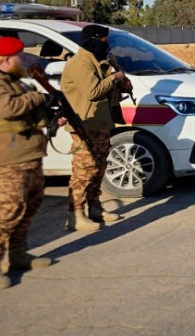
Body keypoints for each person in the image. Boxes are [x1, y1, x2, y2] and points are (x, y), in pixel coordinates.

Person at [0, 37, 54, 289]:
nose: (23, 60)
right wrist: (38, 98)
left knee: (30, 205)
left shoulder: (17, 82)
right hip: (10, 160)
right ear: (6, 60)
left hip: (31, 154)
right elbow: (8, 109)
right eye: (20, 56)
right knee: (8, 211)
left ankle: (18, 254)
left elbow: (28, 113)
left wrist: (50, 115)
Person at [61, 24, 125, 231]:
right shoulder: (80, 63)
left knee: (98, 168)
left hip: (99, 123)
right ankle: (75, 215)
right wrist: (113, 78)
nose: (107, 45)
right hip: (84, 125)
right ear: (94, 41)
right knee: (84, 169)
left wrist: (115, 74)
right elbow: (92, 91)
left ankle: (95, 208)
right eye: (104, 41)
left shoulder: (96, 61)